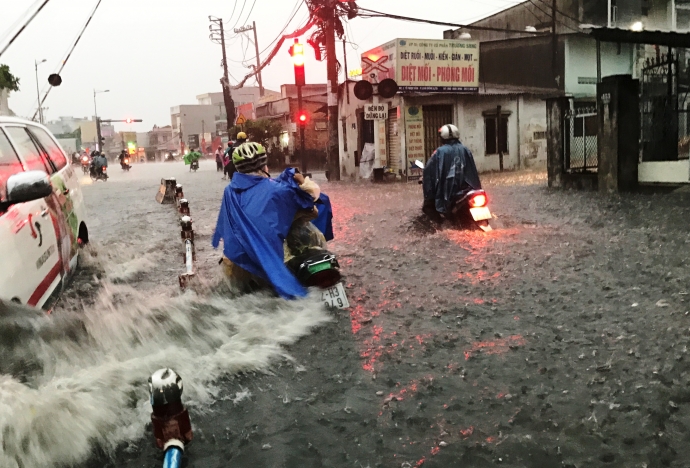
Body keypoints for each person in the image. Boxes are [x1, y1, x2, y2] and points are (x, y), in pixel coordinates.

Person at [212, 142, 326, 299]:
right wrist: (301, 179)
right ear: (264, 165)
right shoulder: (278, 189)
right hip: (267, 264)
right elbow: (311, 197)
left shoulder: (229, 192)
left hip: (234, 263)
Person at [422, 124, 481, 220]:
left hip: (448, 193)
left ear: (442, 138)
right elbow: (473, 171)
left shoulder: (439, 152)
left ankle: (440, 226)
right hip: (467, 190)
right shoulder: (466, 150)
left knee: (428, 207)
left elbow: (429, 171)